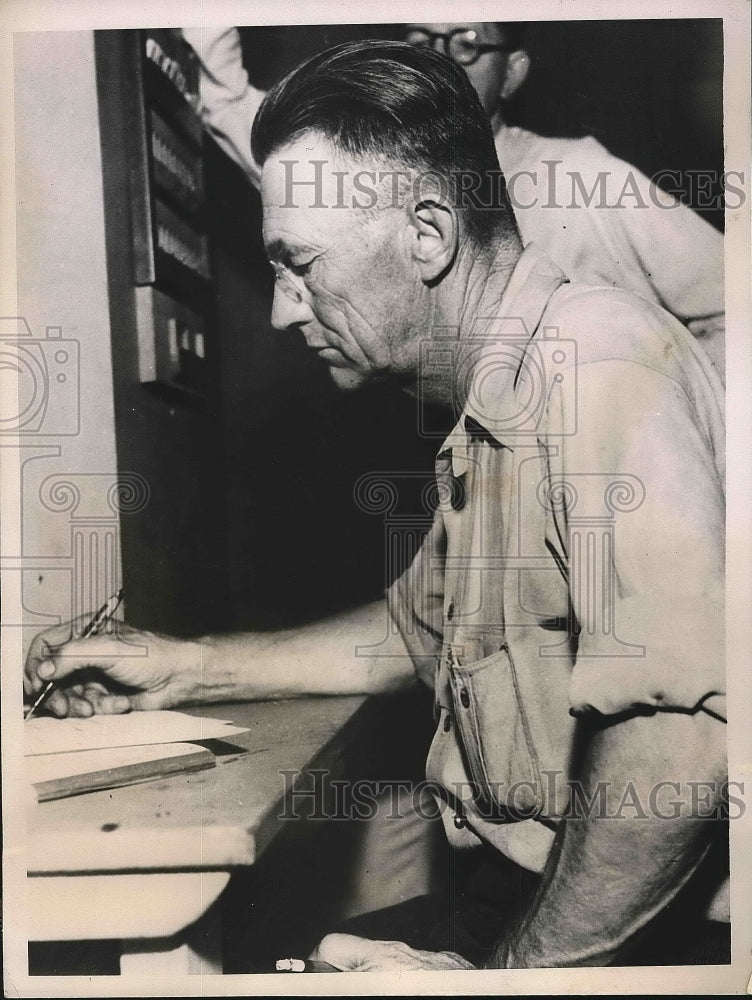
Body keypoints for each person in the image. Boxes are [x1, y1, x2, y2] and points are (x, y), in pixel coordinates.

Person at [24, 41, 727, 969]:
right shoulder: (497, 391)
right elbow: (416, 631)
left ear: (429, 235)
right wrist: (181, 668)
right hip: (527, 900)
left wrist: (497, 986)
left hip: (627, 935)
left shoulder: (594, 370)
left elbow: (681, 748)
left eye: (300, 265)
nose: (282, 311)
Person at [180, 21, 725, 381]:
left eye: (466, 42)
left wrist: (669, 422)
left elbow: (734, 307)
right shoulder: (352, 177)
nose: (441, 61)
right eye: (422, 41)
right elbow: (223, 95)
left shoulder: (583, 177)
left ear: (513, 71)